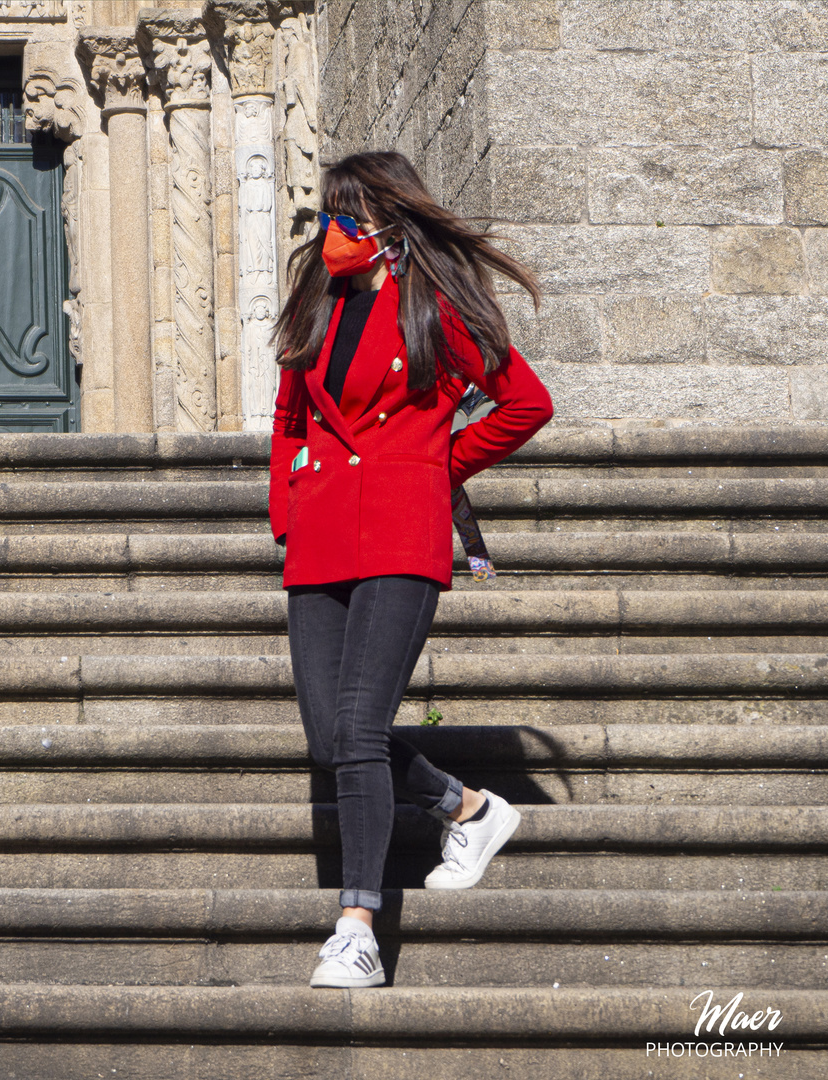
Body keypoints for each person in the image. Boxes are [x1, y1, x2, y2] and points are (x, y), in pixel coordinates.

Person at [269, 151, 554, 989]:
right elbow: (291, 416)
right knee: (329, 739)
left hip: (399, 528)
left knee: (358, 728)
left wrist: (438, 467)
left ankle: (357, 923)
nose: (336, 231)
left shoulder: (435, 307)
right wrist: (286, 504)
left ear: (392, 223)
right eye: (329, 214)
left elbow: (525, 403)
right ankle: (466, 809)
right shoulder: (317, 304)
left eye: (351, 214)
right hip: (318, 534)